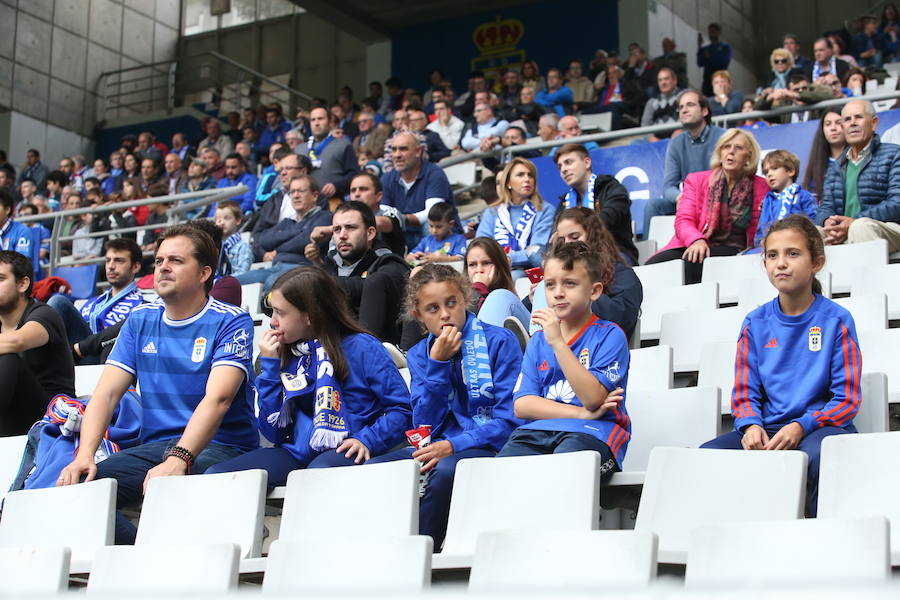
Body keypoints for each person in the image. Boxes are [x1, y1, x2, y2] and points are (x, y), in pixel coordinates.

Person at [700, 214, 860, 517]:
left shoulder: (837, 320)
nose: (781, 263)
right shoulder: (755, 323)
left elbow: (847, 400)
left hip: (821, 429)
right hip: (769, 428)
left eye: (793, 254)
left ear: (817, 263)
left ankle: (815, 540)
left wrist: (802, 425)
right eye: (772, 255)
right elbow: (745, 393)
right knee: (707, 457)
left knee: (815, 457)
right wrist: (750, 426)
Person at [207, 266, 410, 484]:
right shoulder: (283, 353)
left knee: (315, 475)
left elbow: (403, 410)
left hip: (350, 446)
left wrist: (368, 440)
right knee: (218, 476)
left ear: (310, 316)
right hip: (296, 452)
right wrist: (270, 368)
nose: (273, 321)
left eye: (281, 313)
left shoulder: (362, 347)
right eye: (272, 312)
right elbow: (272, 432)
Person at [367, 264, 521, 550]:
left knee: (447, 470)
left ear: (465, 300)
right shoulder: (418, 355)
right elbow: (425, 425)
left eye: (452, 303)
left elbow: (508, 422)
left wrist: (453, 446)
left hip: (487, 443)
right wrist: (437, 365)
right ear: (419, 317)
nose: (445, 314)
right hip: (437, 443)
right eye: (433, 308)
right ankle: (379, 551)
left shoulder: (500, 341)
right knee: (373, 470)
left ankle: (418, 555)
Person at [496, 241, 629, 477]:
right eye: (550, 285)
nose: (558, 292)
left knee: (564, 471)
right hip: (536, 432)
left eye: (570, 283)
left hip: (595, 432)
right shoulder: (538, 341)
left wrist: (558, 343)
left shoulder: (610, 335)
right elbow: (522, 404)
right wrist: (578, 413)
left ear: (594, 291)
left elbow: (592, 399)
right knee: (502, 474)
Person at [646, 128, 768, 284]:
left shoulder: (762, 186)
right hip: (695, 242)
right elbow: (684, 220)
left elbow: (763, 227)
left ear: (749, 157)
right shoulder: (697, 180)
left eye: (738, 148)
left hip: (737, 250)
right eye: (726, 147)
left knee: (695, 261)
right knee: (652, 267)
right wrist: (697, 240)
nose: (731, 152)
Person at [527, 207, 643, 342]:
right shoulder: (554, 278)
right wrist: (534, 300)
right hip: (550, 336)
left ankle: (538, 342)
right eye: (561, 240)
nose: (567, 244)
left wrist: (581, 294)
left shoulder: (622, 273)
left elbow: (621, 317)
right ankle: (532, 343)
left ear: (594, 237)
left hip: (590, 344)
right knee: (503, 297)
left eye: (574, 237)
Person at [306, 202, 409, 344]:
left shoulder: (390, 263)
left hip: (380, 353)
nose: (342, 235)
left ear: (370, 233)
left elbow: (373, 285)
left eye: (350, 228)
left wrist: (319, 285)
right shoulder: (329, 267)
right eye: (337, 229)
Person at [0, 251, 75, 435]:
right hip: (11, 414)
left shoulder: (44, 314)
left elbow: (17, 341)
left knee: (9, 360)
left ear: (23, 284)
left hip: (52, 416)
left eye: (1, 279)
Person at [817, 100, 900, 252]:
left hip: (889, 227)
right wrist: (828, 222)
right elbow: (826, 206)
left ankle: (869, 277)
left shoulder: (895, 154)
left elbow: (897, 203)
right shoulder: (837, 165)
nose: (852, 123)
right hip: (847, 229)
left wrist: (853, 221)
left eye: (858, 117)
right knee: (810, 234)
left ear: (874, 123)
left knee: (861, 227)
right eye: (847, 119)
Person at [642, 90, 726, 237]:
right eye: (681, 107)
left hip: (718, 199)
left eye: (690, 105)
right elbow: (668, 187)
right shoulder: (675, 143)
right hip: (690, 201)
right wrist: (679, 197)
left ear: (705, 111)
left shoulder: (723, 136)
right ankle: (647, 256)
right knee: (653, 206)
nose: (684, 110)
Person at [238, 174, 332, 291]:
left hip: (302, 269)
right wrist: (298, 232)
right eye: (292, 192)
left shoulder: (325, 217)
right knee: (234, 281)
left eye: (300, 191)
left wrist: (277, 249)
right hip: (275, 267)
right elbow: (264, 241)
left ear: (314, 195)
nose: (296, 196)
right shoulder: (287, 221)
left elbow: (305, 241)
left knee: (272, 283)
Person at [47, 238, 143, 353]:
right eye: (108, 261)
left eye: (119, 261)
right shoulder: (95, 301)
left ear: (135, 267)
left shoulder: (140, 305)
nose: (111, 266)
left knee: (58, 301)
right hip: (77, 353)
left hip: (106, 355)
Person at [554, 144, 638, 265]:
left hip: (616, 254)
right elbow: (555, 237)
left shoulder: (611, 188)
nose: (563, 170)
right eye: (560, 167)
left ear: (587, 163)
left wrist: (577, 229)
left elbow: (610, 217)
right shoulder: (564, 202)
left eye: (568, 162)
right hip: (574, 257)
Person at [475, 157, 555, 271]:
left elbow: (536, 251)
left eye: (530, 175)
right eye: (520, 175)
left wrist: (506, 259)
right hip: (495, 269)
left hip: (530, 270)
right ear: (508, 182)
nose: (527, 179)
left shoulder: (545, 209)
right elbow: (481, 246)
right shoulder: (492, 212)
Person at [380, 132, 456, 249]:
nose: (397, 155)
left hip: (435, 235)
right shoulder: (387, 178)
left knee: (430, 225)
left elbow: (432, 213)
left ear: (418, 151)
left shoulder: (435, 174)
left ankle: (435, 265)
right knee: (379, 226)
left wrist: (402, 219)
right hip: (404, 234)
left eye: (403, 149)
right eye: (394, 150)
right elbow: (384, 212)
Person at [753, 150, 817, 251]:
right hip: (770, 246)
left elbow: (813, 223)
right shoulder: (767, 201)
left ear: (790, 171)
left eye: (774, 168)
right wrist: (761, 240)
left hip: (797, 243)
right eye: (766, 172)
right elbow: (760, 229)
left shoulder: (803, 196)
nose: (769, 174)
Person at [303, 106, 359, 204]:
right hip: (305, 203)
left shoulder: (343, 145)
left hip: (334, 203)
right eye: (313, 120)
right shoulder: (300, 149)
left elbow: (354, 174)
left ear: (330, 122)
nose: (316, 123)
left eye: (320, 119)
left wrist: (337, 186)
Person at [803, 110, 846, 199]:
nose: (833, 128)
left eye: (838, 122)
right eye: (828, 124)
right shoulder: (817, 164)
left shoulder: (856, 160)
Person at [641, 67, 682, 137]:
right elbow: (645, 125)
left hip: (679, 136)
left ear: (675, 81)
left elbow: (691, 118)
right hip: (657, 139)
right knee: (635, 142)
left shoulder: (685, 97)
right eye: (660, 80)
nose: (663, 83)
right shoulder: (651, 102)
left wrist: (682, 130)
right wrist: (651, 138)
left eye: (666, 79)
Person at [214, 200, 252, 276]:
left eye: (226, 218)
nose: (221, 222)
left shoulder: (242, 247)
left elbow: (243, 273)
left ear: (237, 220)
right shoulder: (214, 246)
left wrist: (221, 281)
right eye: (218, 219)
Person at [696, 23, 731, 97]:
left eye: (713, 32)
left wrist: (709, 58)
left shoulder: (725, 47)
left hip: (720, 80)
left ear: (718, 33)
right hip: (707, 82)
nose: (711, 35)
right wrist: (700, 47)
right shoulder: (706, 48)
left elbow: (723, 62)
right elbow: (700, 63)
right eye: (710, 32)